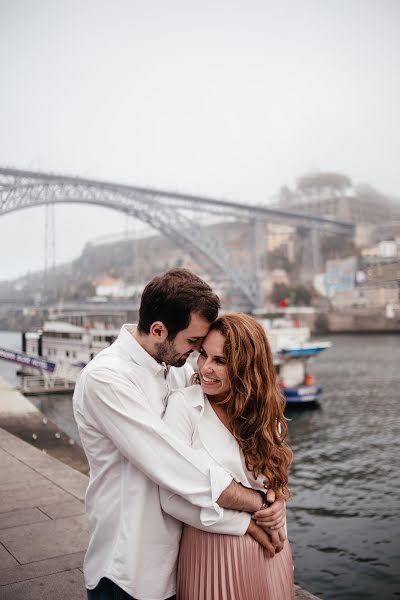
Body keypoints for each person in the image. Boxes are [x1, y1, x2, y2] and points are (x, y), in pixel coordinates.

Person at [73, 269, 285, 600]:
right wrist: (257, 504)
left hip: (180, 561)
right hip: (129, 566)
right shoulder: (106, 379)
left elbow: (225, 437)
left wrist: (276, 497)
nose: (197, 358)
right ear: (159, 330)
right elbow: (174, 463)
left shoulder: (177, 367)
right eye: (193, 343)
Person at [160, 313, 294, 600]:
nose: (206, 368)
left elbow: (273, 481)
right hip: (210, 556)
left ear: (247, 367)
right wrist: (245, 524)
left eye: (220, 361)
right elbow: (170, 499)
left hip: (271, 556)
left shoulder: (268, 417)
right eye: (203, 355)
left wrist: (278, 503)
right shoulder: (184, 407)